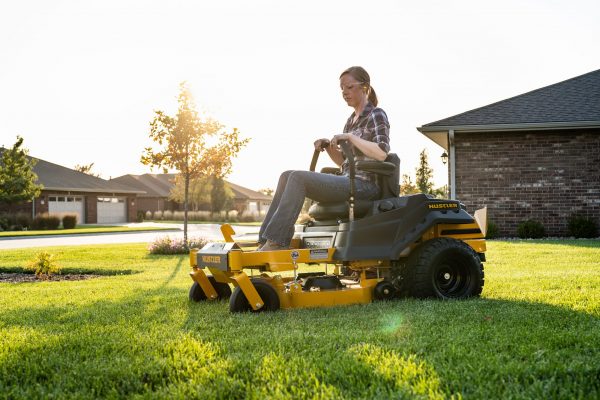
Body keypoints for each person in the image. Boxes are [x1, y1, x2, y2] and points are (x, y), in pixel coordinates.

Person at [257, 66, 391, 251]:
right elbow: (343, 162)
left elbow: (382, 152)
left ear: (364, 87)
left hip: (365, 185)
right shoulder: (350, 120)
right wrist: (328, 147)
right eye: (342, 88)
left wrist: (350, 138)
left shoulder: (376, 114)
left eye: (349, 87)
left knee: (298, 177)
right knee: (287, 175)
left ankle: (277, 242)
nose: (344, 92)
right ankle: (265, 239)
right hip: (347, 180)